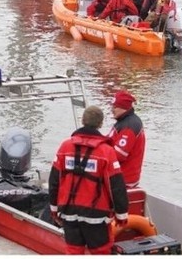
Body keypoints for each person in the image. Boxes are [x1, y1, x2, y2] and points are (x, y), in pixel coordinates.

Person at [48, 105, 129, 255]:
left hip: (68, 211)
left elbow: (54, 181)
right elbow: (116, 186)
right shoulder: (106, 152)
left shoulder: (65, 147)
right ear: (100, 124)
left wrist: (53, 209)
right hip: (96, 215)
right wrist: (121, 215)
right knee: (101, 252)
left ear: (83, 121)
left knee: (73, 251)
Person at [109, 91, 146, 189]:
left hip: (123, 180)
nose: (112, 110)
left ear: (124, 107)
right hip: (119, 177)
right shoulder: (123, 122)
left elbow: (119, 155)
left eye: (115, 107)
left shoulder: (129, 126)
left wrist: (98, 154)